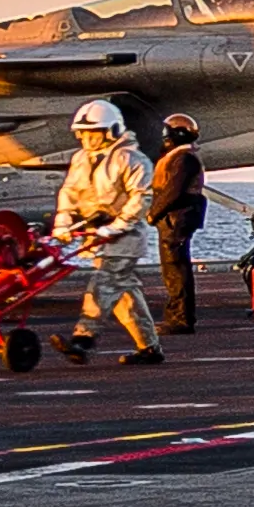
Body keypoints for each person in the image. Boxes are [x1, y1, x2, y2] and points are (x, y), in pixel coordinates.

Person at [50, 104, 162, 366]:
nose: (88, 139)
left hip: (126, 237)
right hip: (97, 234)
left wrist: (118, 224)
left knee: (104, 283)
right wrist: (63, 222)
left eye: (94, 133)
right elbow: (69, 192)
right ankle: (149, 347)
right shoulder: (81, 159)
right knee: (125, 295)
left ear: (111, 131)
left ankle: (83, 339)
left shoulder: (131, 159)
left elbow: (141, 197)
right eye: (84, 134)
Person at [147, 114, 207, 333]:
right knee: (173, 267)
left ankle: (180, 319)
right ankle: (177, 316)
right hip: (176, 217)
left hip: (177, 218)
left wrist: (153, 213)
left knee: (175, 269)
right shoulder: (181, 157)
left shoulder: (183, 159)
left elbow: (173, 191)